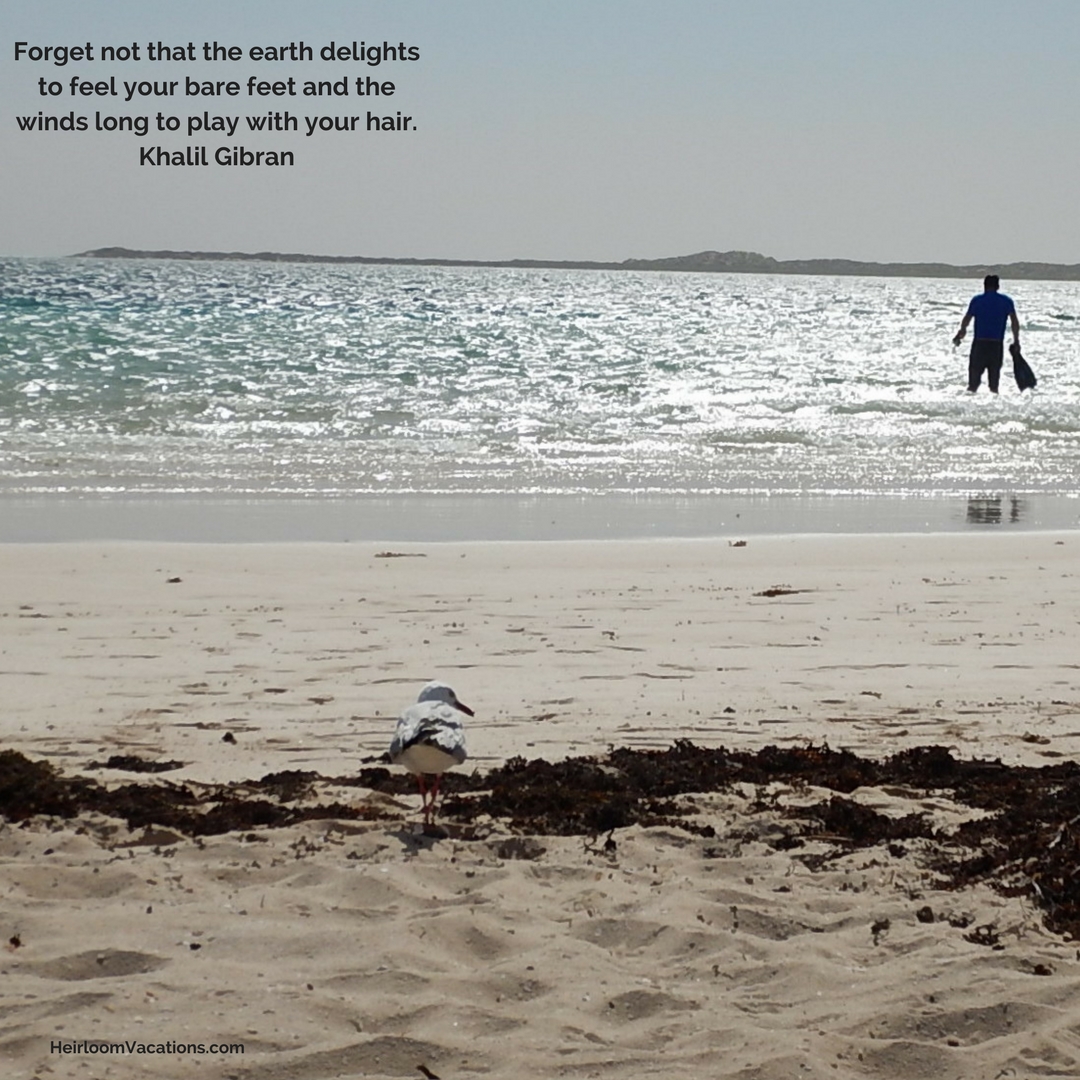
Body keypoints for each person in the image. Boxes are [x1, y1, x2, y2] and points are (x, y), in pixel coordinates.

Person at [952, 275, 1020, 394]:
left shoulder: (977, 300)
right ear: (998, 286)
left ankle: (968, 407)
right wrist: (1016, 341)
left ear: (984, 285)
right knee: (994, 385)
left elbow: (967, 319)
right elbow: (1014, 322)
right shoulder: (1006, 301)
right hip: (996, 345)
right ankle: (993, 409)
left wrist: (961, 332)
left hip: (979, 344)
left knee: (973, 385)